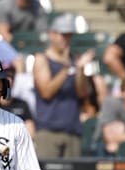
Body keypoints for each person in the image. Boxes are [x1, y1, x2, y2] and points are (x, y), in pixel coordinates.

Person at [32, 13, 95, 158]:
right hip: (48, 130)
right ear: (52, 34)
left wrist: (79, 69)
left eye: (69, 35)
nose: (66, 39)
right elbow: (47, 92)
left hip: (72, 130)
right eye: (62, 35)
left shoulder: (76, 61)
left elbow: (83, 93)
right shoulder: (42, 59)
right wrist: (66, 68)